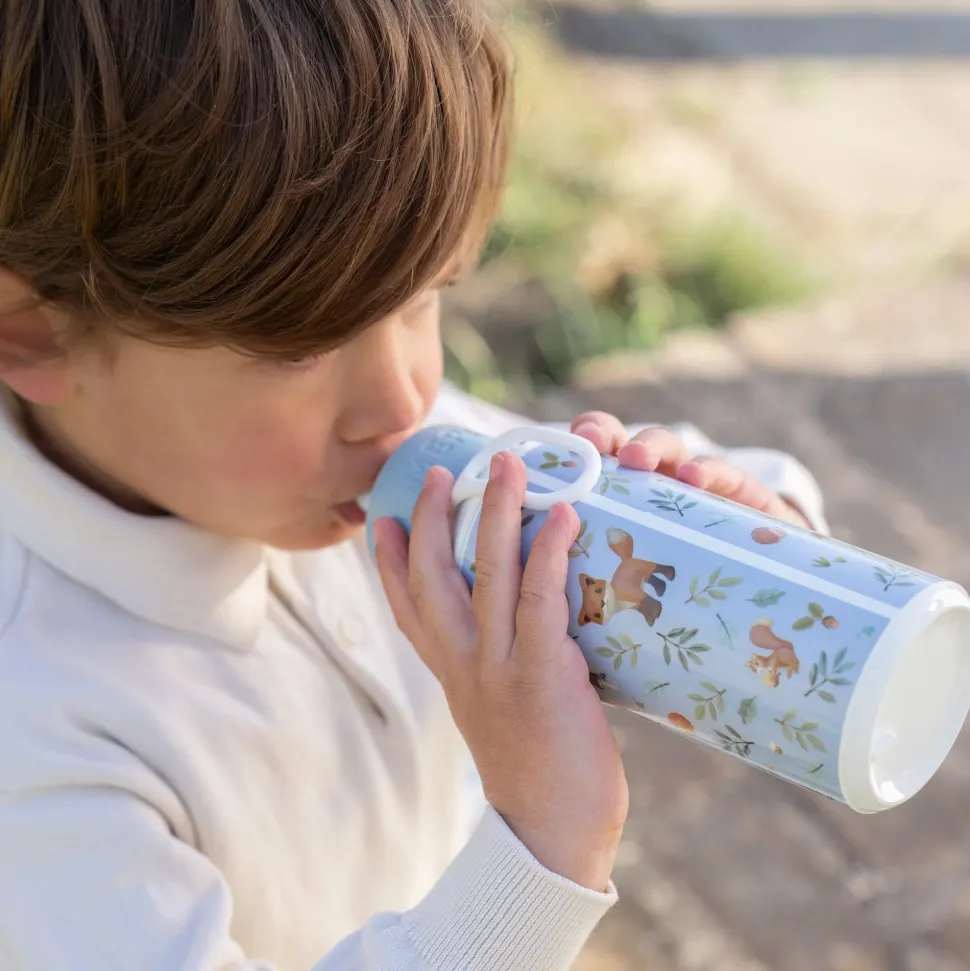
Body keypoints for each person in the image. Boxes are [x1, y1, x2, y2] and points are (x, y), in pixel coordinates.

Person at [0, 2, 827, 969]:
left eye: (426, 295)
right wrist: (540, 845)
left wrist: (743, 538)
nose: (402, 398)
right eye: (302, 347)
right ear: (33, 330)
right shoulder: (40, 741)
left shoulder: (351, 457)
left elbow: (740, 492)